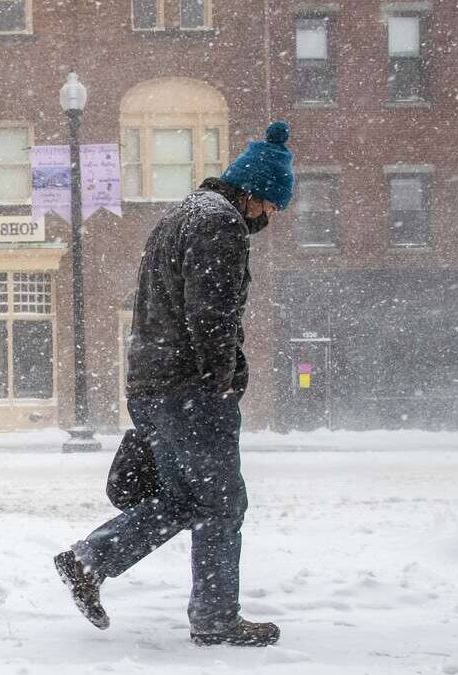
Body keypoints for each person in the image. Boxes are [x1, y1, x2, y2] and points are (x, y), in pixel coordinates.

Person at [54, 121, 296, 647]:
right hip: (189, 391)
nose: (273, 213)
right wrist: (224, 377)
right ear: (255, 191)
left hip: (153, 384)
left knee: (187, 499)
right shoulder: (219, 224)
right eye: (274, 202)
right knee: (223, 503)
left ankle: (89, 560)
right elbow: (211, 312)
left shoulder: (181, 216)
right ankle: (215, 619)